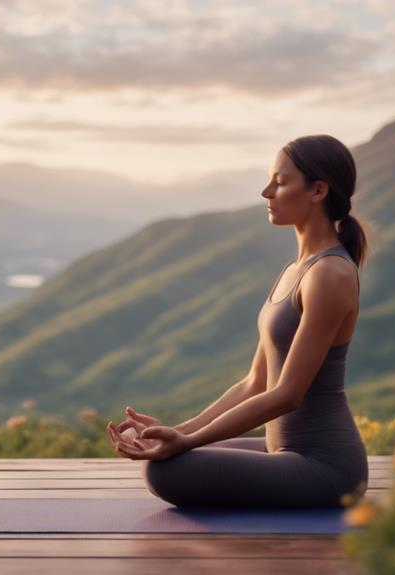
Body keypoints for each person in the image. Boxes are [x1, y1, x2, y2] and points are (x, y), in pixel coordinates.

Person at [106, 134, 370, 508]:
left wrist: (187, 442)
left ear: (317, 191)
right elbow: (255, 383)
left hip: (327, 469)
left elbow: (287, 394)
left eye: (279, 182)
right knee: (170, 457)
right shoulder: (295, 271)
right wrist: (177, 432)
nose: (266, 192)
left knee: (166, 471)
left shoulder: (330, 274)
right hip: (283, 450)